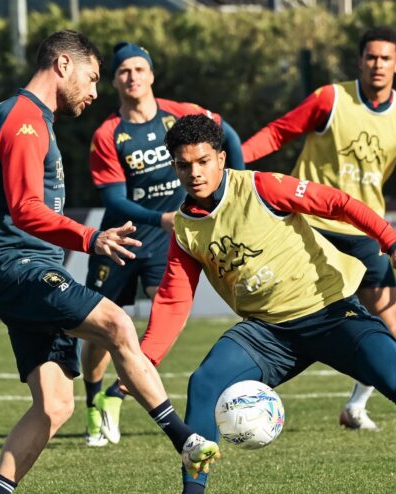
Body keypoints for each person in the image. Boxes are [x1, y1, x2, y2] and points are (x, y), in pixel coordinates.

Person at [139, 114, 396, 494]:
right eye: (184, 165)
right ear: (174, 167)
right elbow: (173, 299)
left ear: (221, 158)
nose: (194, 173)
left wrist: (393, 241)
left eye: (203, 161)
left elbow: (337, 203)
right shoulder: (185, 229)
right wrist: (144, 362)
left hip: (333, 314)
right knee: (204, 383)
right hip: (267, 334)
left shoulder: (262, 187)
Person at [0, 31, 218, 493]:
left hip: (11, 270)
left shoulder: (9, 115)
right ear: (62, 64)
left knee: (55, 405)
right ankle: (185, 440)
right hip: (23, 267)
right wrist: (92, 238)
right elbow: (26, 209)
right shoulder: (25, 121)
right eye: (92, 77)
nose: (95, 91)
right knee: (117, 323)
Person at [241, 26, 396, 430]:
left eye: (385, 58)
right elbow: (278, 132)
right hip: (309, 224)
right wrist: (234, 161)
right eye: (371, 57)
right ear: (359, 61)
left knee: (388, 326)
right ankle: (245, 388)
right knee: (287, 317)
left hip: (365, 230)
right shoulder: (330, 99)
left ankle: (356, 407)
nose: (378, 65)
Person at [82, 42, 245, 447]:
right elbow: (114, 200)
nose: (133, 76)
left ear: (152, 75)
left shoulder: (180, 114)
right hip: (120, 240)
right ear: (115, 80)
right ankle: (93, 401)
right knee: (99, 330)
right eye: (124, 70)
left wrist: (236, 183)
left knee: (166, 321)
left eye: (140, 68)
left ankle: (117, 393)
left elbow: (228, 135)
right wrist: (161, 218)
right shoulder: (108, 134)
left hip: (166, 242)